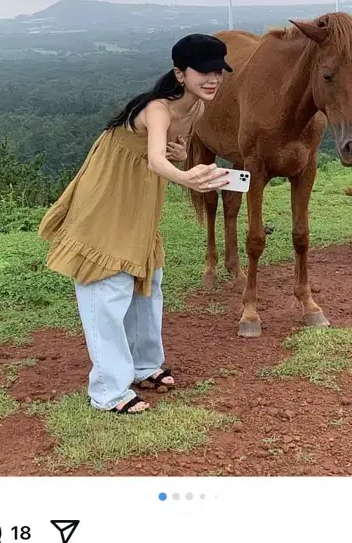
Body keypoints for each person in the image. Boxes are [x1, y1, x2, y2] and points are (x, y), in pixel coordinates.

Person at [39, 33, 232, 415]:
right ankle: (109, 390)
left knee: (149, 277)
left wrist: (180, 154)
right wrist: (187, 175)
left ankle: (145, 365)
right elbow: (159, 162)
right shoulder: (158, 108)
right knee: (108, 282)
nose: (213, 79)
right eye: (204, 71)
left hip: (142, 193)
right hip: (110, 191)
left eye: (218, 71)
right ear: (180, 73)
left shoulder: (196, 109)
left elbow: (167, 152)